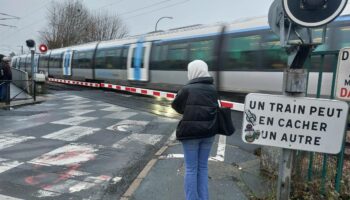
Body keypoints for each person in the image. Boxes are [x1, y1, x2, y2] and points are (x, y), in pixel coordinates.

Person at [172, 60, 218, 200]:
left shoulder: (186, 89)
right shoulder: (212, 89)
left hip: (191, 134)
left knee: (191, 169)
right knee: (203, 168)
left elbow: (177, 107)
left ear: (192, 72)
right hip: (209, 133)